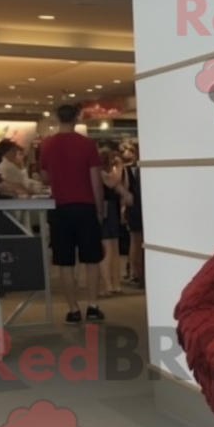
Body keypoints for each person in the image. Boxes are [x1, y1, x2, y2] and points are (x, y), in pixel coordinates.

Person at [38, 104, 106, 324]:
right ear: (77, 118)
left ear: (57, 118)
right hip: (85, 207)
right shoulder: (87, 145)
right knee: (92, 259)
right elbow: (95, 180)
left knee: (65, 261)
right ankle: (93, 306)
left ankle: (73, 310)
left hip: (59, 208)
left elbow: (45, 178)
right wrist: (100, 210)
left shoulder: (47, 145)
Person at [98, 150, 131, 296]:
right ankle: (109, 285)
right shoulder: (101, 173)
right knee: (107, 249)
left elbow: (120, 188)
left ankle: (115, 284)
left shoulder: (107, 173)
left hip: (112, 210)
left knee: (114, 249)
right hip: (105, 210)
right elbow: (112, 183)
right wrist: (119, 168)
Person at [124, 143, 144, 288]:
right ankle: (136, 272)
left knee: (135, 241)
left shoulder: (128, 169)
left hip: (134, 207)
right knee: (137, 241)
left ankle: (135, 272)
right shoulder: (132, 169)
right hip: (137, 208)